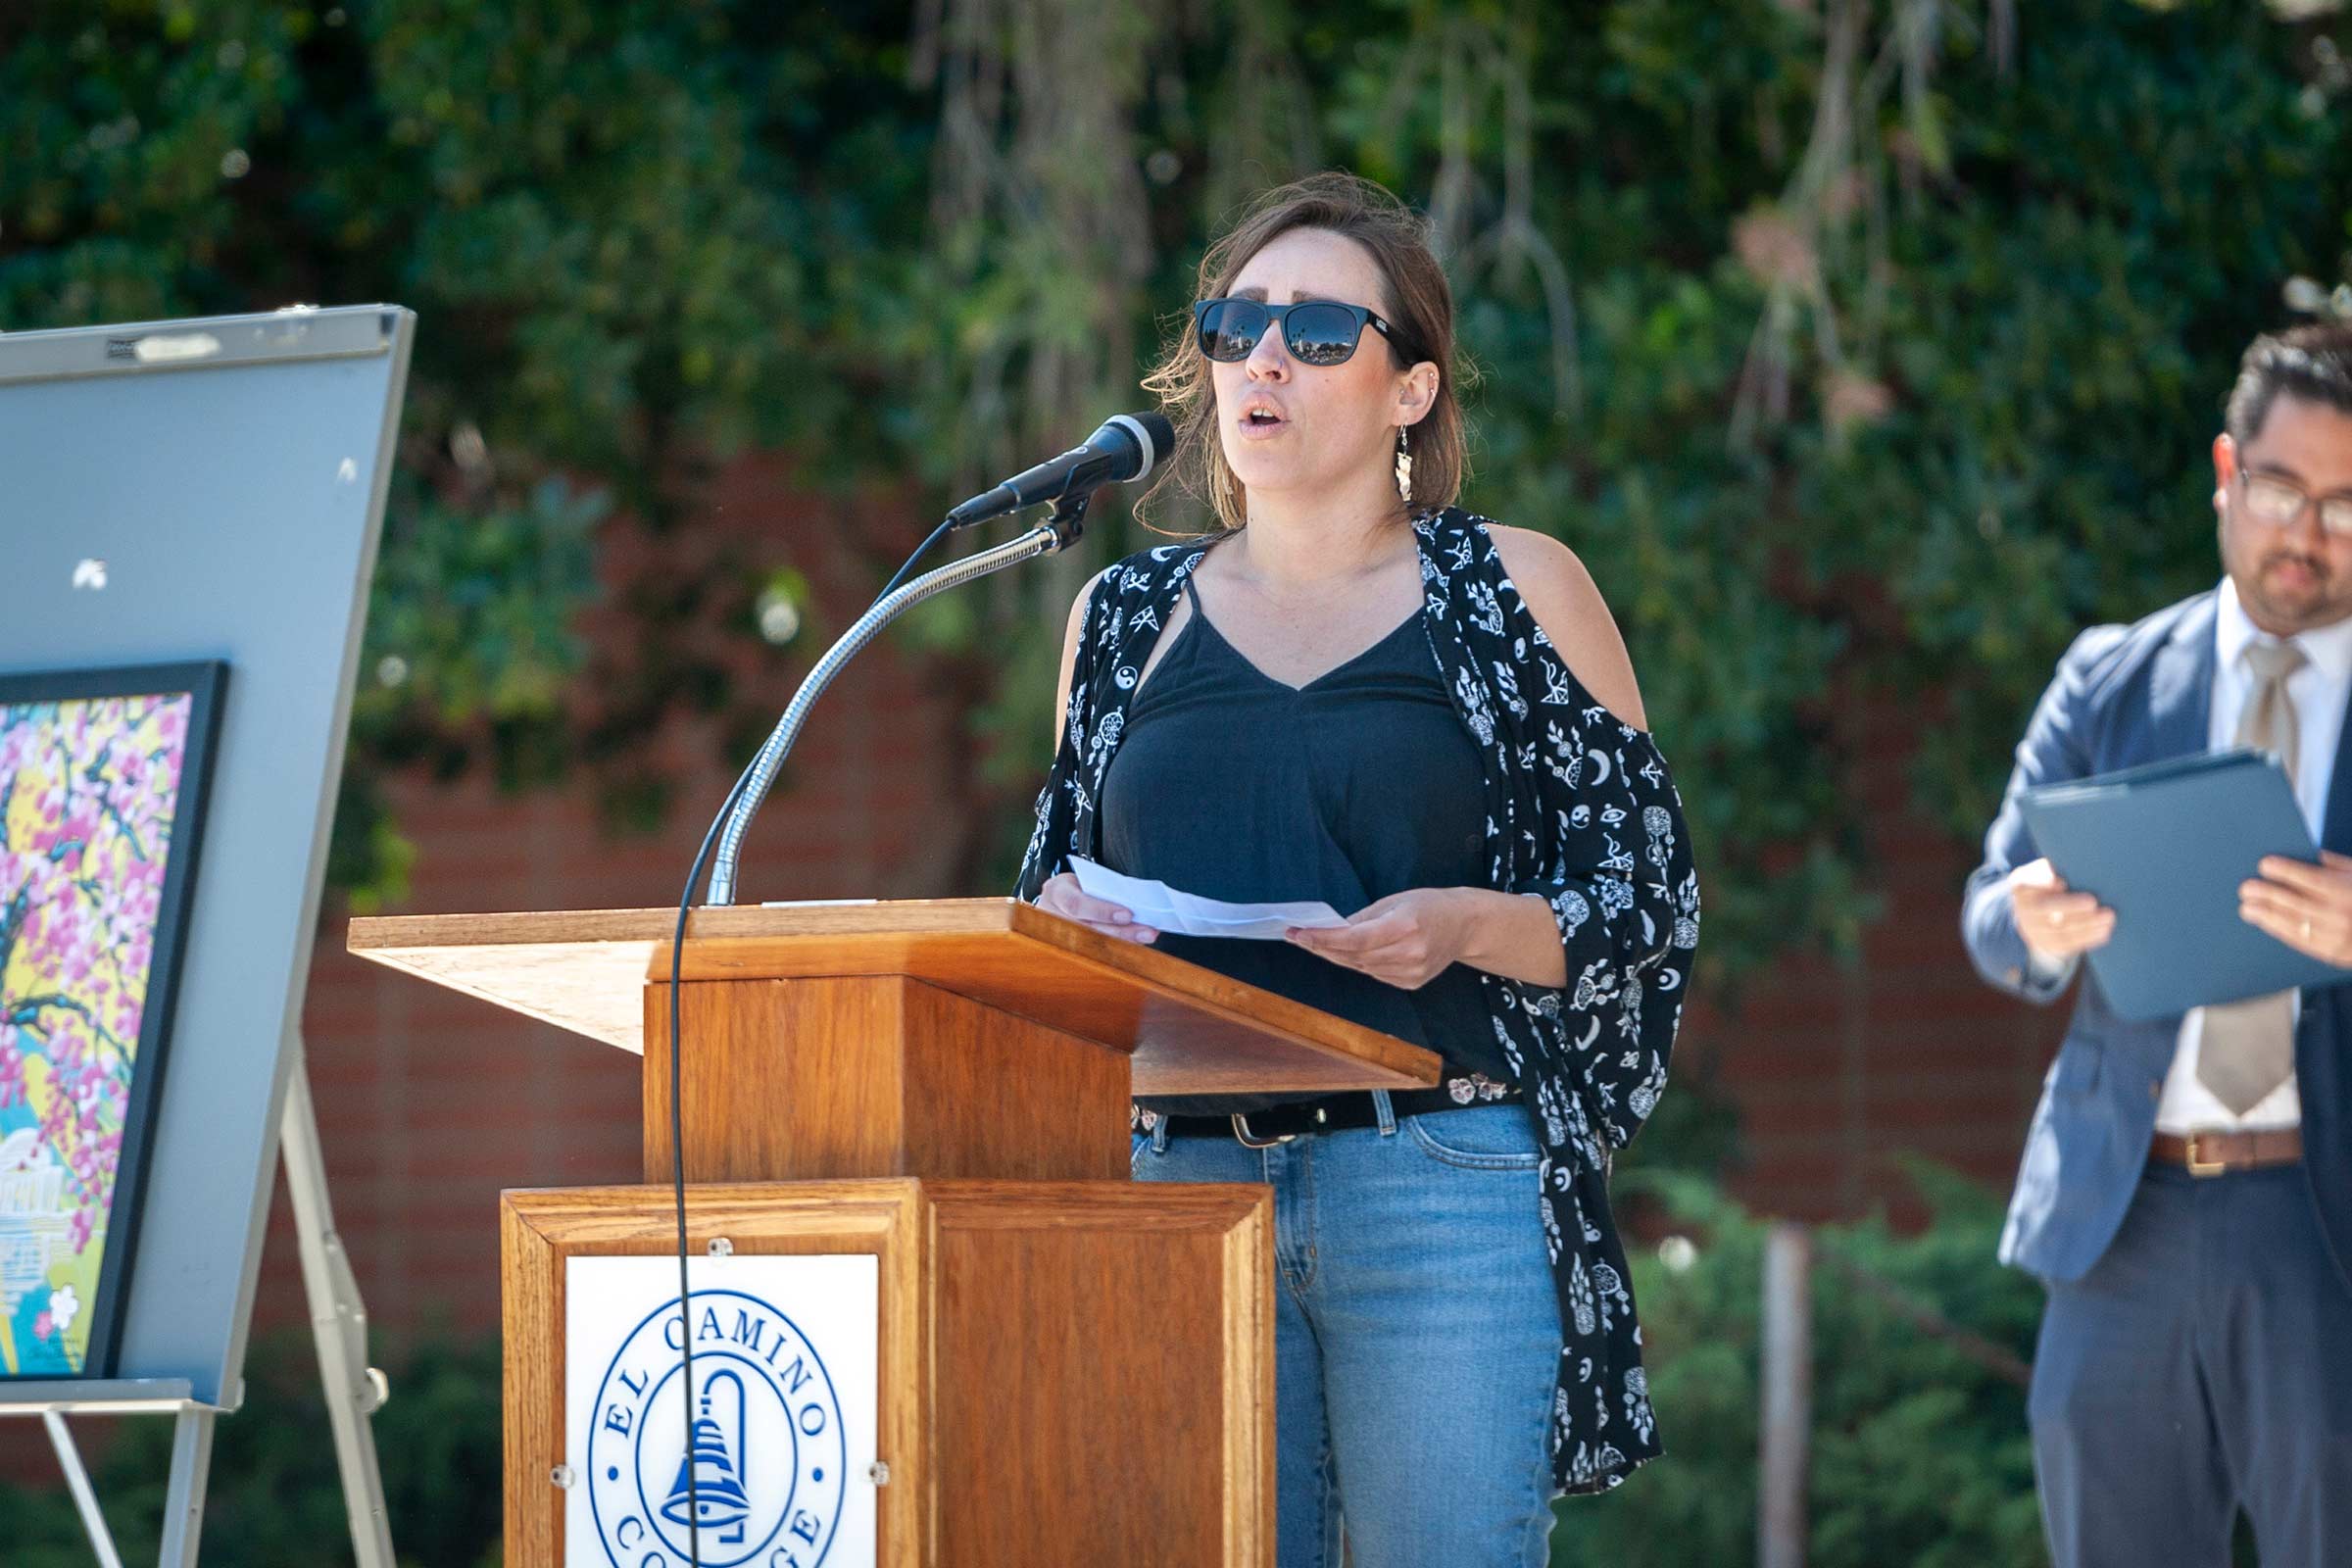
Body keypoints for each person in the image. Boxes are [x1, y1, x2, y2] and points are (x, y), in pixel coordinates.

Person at [1011, 172, 1700, 1568]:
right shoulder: (1121, 616)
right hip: (1179, 1194)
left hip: (1439, 1180)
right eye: (1236, 325)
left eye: (1320, 332)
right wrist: (1067, 921)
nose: (1264, 358)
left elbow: (1646, 901)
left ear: (1411, 390)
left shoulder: (1515, 590)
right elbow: (1051, 899)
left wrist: (1466, 924)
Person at [1963, 322, 2352, 1567]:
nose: (2308, 534)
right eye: (2283, 491)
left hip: (2326, 1225)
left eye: (2347, 507)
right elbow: (1988, 907)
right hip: (2123, 1217)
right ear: (2228, 473)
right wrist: (2028, 922)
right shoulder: (2109, 678)